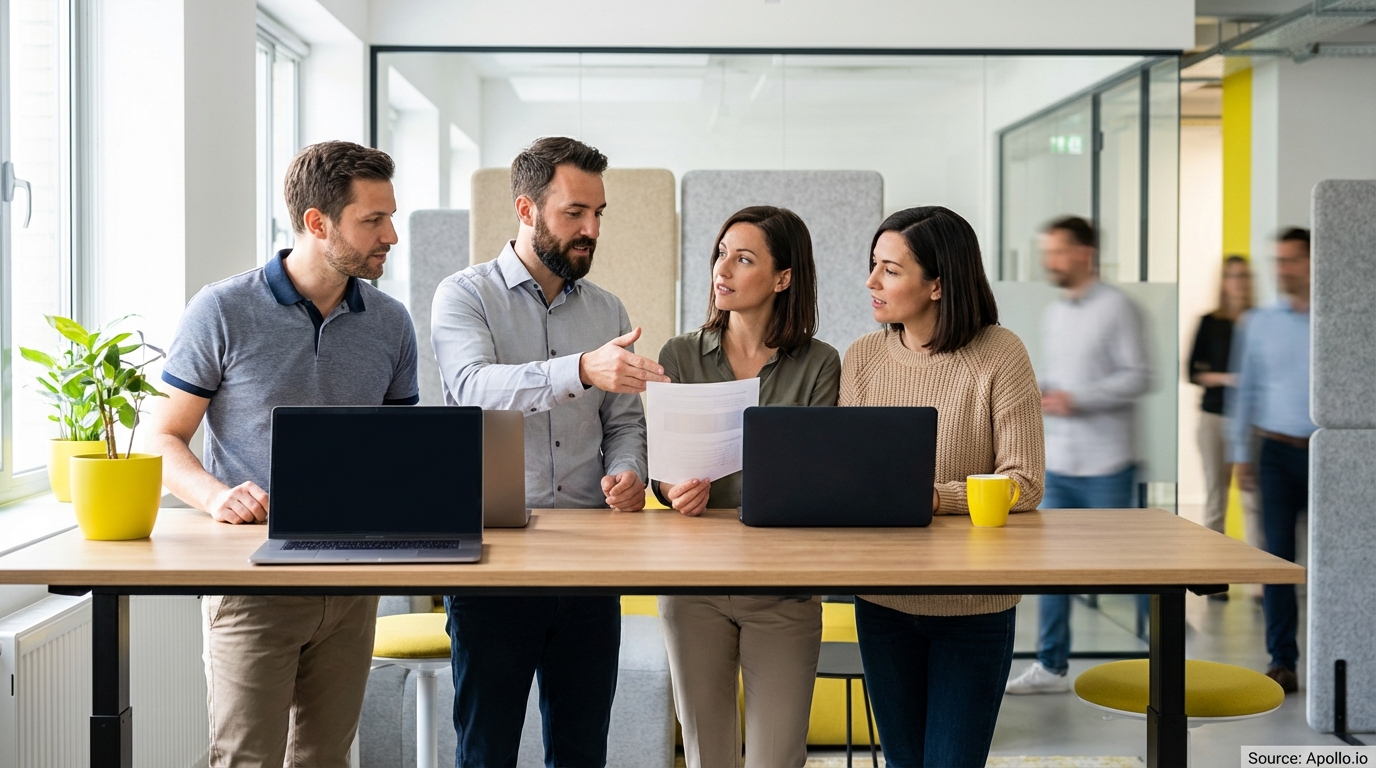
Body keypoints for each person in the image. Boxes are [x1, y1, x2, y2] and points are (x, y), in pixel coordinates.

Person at [146, 141, 418, 767]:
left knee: (325, 758)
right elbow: (159, 438)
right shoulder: (222, 309)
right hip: (254, 583)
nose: (392, 236)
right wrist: (218, 495)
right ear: (318, 223)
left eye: (391, 216)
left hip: (352, 582)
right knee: (248, 759)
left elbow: (400, 451)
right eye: (373, 220)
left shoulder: (390, 322)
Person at [429, 136, 662, 767]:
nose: (591, 229)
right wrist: (582, 367)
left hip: (590, 565)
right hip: (493, 564)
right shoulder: (465, 295)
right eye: (574, 213)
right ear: (527, 210)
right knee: (486, 753)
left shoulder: (607, 307)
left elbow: (624, 420)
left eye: (599, 214)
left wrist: (627, 470)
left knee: (583, 753)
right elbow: (474, 390)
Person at [841, 206, 1044, 767]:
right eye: (873, 266)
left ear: (937, 284)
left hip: (973, 603)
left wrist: (934, 497)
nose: (871, 282)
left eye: (890, 270)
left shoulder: (1000, 353)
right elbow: (847, 472)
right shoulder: (862, 357)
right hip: (880, 598)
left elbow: (1023, 482)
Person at [652, 206, 839, 768]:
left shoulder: (820, 363)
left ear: (783, 278)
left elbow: (819, 480)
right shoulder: (678, 355)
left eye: (744, 258)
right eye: (720, 254)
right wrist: (670, 488)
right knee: (708, 756)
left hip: (783, 589)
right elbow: (663, 467)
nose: (722, 269)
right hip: (693, 587)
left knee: (776, 760)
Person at [1005, 215, 1152, 696]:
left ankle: (1163, 656)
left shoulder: (1118, 308)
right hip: (1061, 463)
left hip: (1107, 462)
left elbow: (1138, 375)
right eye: (1046, 251)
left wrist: (1079, 397)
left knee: (1135, 569)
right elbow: (1059, 375)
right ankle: (1051, 666)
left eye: (1057, 251)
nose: (1049, 261)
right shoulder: (1056, 312)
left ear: (1084, 253)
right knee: (1051, 570)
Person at [1227, 228, 1315, 695]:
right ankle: (1283, 660)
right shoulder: (1259, 322)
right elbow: (1246, 390)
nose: (1282, 270)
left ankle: (1338, 653)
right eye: (1277, 261)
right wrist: (1239, 452)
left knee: (1333, 559)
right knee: (1277, 561)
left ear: (1312, 261)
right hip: (1275, 453)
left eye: (1292, 261)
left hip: (1329, 455)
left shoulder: (1337, 318)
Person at [1188, 256, 1256, 571]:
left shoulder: (1258, 322)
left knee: (1254, 499)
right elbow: (1193, 371)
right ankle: (1215, 574)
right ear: (1223, 281)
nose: (1238, 282)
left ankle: (1259, 579)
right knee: (1217, 498)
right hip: (1214, 416)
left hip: (1251, 421)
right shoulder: (1210, 322)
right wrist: (1230, 379)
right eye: (1231, 276)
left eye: (1243, 276)